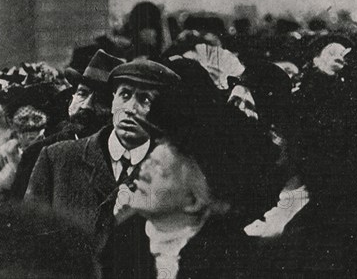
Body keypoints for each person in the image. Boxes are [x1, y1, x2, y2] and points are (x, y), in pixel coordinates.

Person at [100, 71, 250, 279]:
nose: (143, 173)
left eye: (160, 170)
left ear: (194, 200)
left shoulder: (231, 258)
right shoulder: (124, 239)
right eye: (149, 161)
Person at [23, 59, 180, 243]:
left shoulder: (174, 172)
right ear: (113, 101)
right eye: (125, 95)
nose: (130, 109)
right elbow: (29, 242)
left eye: (144, 99)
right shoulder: (56, 160)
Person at [10, 50, 124, 200]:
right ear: (71, 101)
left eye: (101, 100)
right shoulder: (38, 154)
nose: (86, 106)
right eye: (82, 93)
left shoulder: (124, 156)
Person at [0, 62, 63, 204]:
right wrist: (8, 174)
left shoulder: (56, 150)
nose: (30, 126)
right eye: (23, 119)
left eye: (36, 119)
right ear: (11, 123)